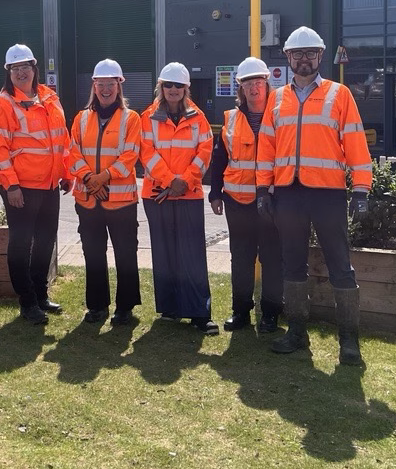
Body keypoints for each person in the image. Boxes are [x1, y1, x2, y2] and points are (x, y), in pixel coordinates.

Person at [255, 26, 373, 366]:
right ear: (288, 58)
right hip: (288, 195)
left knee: (340, 265)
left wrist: (361, 189)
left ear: (320, 57)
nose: (303, 59)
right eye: (297, 54)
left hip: (328, 194)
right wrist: (264, 188)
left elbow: (355, 143)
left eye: (310, 53)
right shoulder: (276, 99)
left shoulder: (340, 95)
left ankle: (349, 342)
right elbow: (267, 146)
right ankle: (296, 333)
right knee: (293, 264)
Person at [0, 43, 70, 324]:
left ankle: (41, 294)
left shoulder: (49, 98)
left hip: (49, 185)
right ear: (8, 73)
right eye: (15, 68)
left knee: (46, 241)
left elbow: (62, 138)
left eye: (26, 67)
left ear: (34, 68)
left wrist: (66, 172)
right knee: (21, 244)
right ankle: (27, 301)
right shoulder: (1, 105)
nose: (21, 72)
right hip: (20, 188)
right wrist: (10, 186)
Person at [140, 62, 217, 335]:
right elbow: (146, 153)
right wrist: (169, 181)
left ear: (186, 89)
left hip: (189, 193)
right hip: (158, 195)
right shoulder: (147, 118)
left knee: (192, 256)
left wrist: (185, 180)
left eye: (178, 86)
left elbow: (205, 151)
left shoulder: (199, 118)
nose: (173, 90)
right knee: (164, 254)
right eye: (168, 85)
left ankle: (199, 313)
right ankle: (170, 309)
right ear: (161, 87)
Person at [209, 57, 283, 334]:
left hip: (272, 201)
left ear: (267, 84)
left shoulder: (280, 116)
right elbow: (220, 159)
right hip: (237, 201)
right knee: (240, 257)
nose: (254, 88)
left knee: (272, 258)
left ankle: (271, 314)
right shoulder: (230, 119)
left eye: (258, 83)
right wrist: (215, 193)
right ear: (240, 88)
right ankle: (240, 311)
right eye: (248, 83)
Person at [67, 59, 143, 325]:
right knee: (93, 253)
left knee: (125, 253)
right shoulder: (81, 118)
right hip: (89, 200)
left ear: (119, 86)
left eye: (111, 84)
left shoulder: (132, 119)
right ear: (94, 86)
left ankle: (125, 308)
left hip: (121, 200)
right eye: (101, 84)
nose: (106, 89)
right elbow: (72, 151)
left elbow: (131, 154)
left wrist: (103, 177)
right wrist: (89, 178)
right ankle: (97, 306)